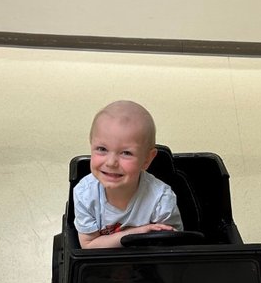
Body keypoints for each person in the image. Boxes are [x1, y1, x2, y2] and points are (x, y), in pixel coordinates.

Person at [73, 100, 183, 248]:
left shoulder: (160, 200)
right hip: (100, 265)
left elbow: (171, 248)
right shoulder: (85, 194)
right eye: (102, 149)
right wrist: (136, 233)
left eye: (126, 153)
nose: (111, 162)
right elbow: (88, 245)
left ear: (147, 160)